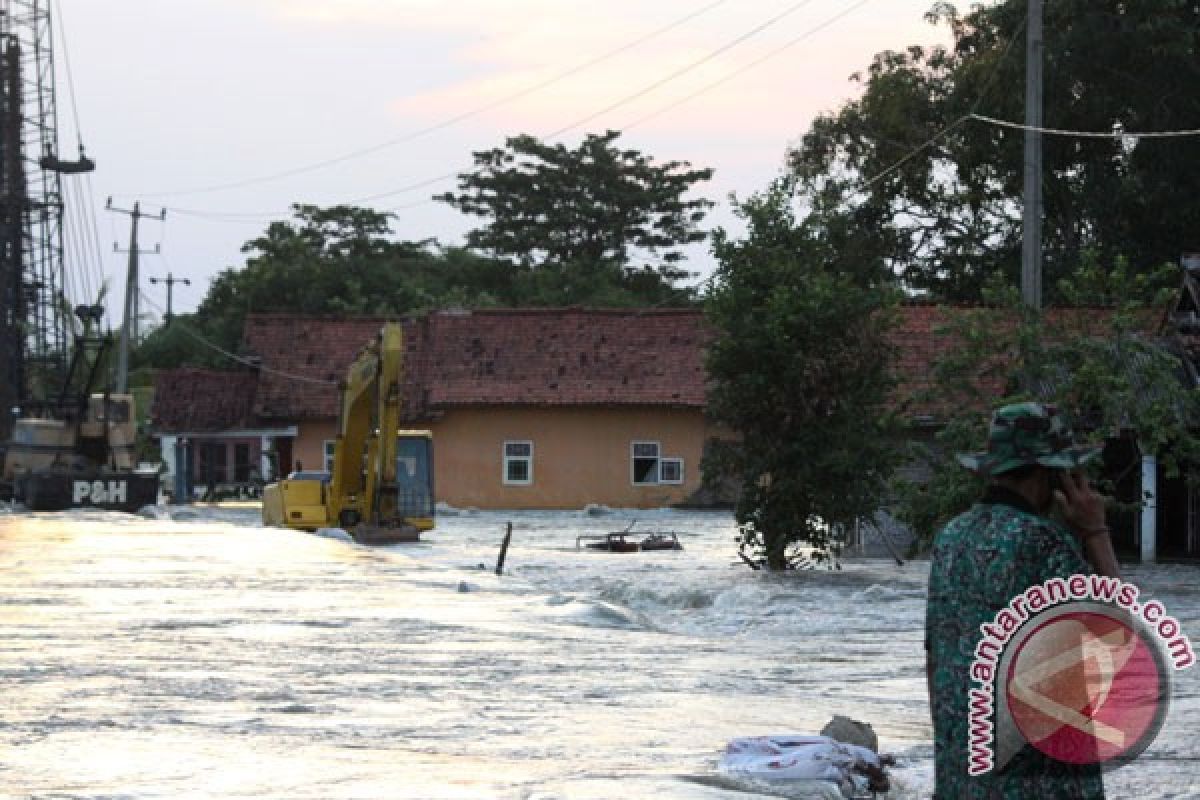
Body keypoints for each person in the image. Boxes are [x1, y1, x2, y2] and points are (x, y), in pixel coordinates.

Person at [925, 402, 1120, 799]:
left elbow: (934, 657)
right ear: (1049, 475)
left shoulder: (951, 537)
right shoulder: (1044, 543)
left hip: (963, 765)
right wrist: (1096, 532)